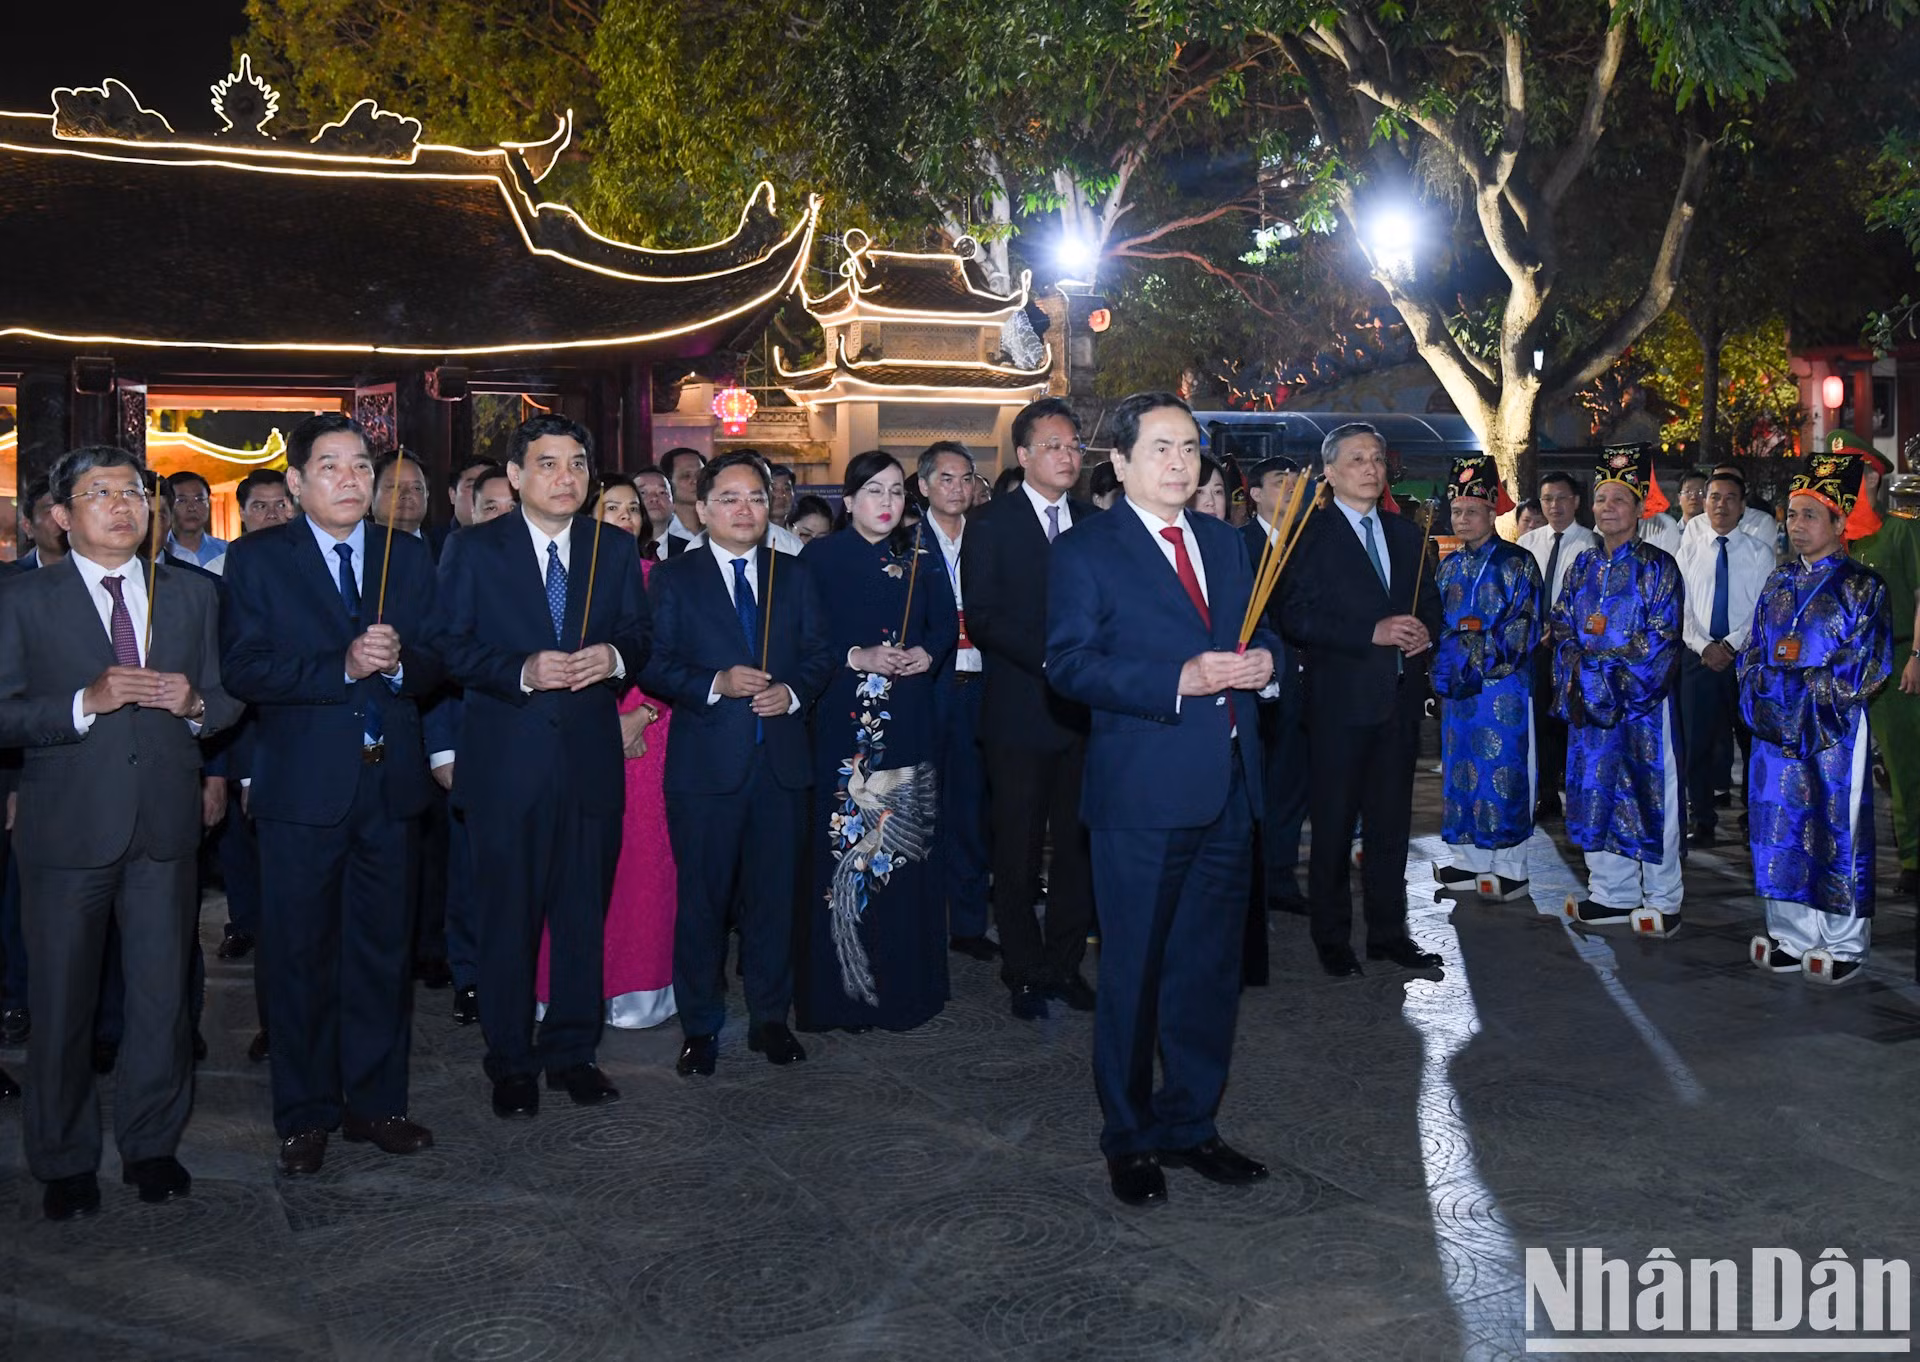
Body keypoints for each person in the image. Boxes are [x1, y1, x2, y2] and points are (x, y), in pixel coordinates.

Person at [1046, 391, 1276, 1207]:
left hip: (1228, 787)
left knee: (1207, 973)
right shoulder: (1087, 550)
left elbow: (1262, 632)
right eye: (1161, 449)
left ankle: (1191, 1123)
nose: (1180, 464)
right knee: (1134, 972)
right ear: (1121, 461)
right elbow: (1068, 665)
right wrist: (1175, 679)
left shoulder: (1225, 539)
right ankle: (1130, 1136)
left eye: (1189, 448)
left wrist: (1268, 666)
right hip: (1142, 796)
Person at [0, 445, 240, 1219]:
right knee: (62, 1002)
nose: (121, 505)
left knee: (162, 998)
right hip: (67, 829)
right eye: (99, 493)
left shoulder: (193, 594)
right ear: (60, 517)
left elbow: (228, 697)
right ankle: (63, 1158)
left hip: (164, 827)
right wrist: (83, 703)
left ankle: (151, 1144)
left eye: (133, 491)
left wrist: (194, 705)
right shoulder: (21, 599)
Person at [222, 414, 446, 1175]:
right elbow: (244, 668)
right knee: (298, 957)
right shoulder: (257, 559)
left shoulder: (405, 554)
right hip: (302, 791)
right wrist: (340, 667)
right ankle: (305, 1113)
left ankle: (377, 1104)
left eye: (360, 467)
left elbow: (438, 658)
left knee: (382, 954)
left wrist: (400, 666)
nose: (350, 480)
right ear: (296, 482)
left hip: (390, 786)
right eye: (331, 467)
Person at [435, 414, 651, 1118]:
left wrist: (613, 659)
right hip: (506, 766)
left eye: (578, 464)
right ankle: (510, 1060)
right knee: (508, 922)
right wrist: (519, 670)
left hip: (589, 763)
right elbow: (447, 646)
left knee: (582, 918)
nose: (567, 478)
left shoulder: (611, 547)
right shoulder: (474, 548)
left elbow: (639, 635)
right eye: (549, 464)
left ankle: (573, 1052)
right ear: (516, 475)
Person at [641, 451, 832, 1075]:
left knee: (775, 901)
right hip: (705, 770)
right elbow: (653, 662)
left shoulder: (794, 573)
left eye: (755, 497)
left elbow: (819, 654)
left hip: (781, 766)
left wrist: (793, 694)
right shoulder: (675, 579)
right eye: (729, 498)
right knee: (702, 903)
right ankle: (700, 1026)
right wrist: (715, 682)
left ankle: (771, 1019)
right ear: (702, 509)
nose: (745, 509)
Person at [797, 453, 955, 1032]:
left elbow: (944, 623)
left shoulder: (921, 554)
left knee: (907, 847)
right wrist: (854, 656)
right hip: (843, 720)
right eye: (872, 490)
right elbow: (802, 637)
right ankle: (841, 995)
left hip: (909, 717)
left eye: (894, 492)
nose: (886, 502)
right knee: (843, 848)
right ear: (848, 500)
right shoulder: (819, 558)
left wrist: (927, 654)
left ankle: (905, 990)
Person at [1279, 423, 1443, 977]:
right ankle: (1332, 938)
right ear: (1329, 472)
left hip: (1398, 703)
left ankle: (1389, 934)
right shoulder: (1309, 535)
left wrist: (1425, 632)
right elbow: (1294, 616)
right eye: (1357, 459)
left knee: (1390, 827)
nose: (1371, 468)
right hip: (1339, 705)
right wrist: (1369, 632)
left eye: (1377, 458)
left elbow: (1429, 602)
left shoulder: (1406, 534)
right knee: (1332, 827)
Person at [959, 396, 1096, 1020]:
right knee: (1015, 849)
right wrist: (1056, 660)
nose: (1067, 456)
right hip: (1020, 711)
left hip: (1086, 716)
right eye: (1053, 446)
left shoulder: (1094, 522)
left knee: (1077, 847)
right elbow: (985, 618)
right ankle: (1023, 968)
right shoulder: (991, 523)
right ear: (1023, 454)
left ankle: (1065, 965)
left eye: (1073, 446)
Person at [1738, 449, 1892, 985]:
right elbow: (1753, 651)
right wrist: (1767, 693)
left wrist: (1800, 692)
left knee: (1835, 825)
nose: (1796, 525)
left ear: (1840, 523)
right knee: (1779, 823)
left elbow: (1868, 663)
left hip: (1834, 729)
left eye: (1809, 515)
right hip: (1775, 727)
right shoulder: (1777, 583)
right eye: (1791, 514)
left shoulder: (1863, 587)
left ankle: (1843, 941)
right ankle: (1791, 935)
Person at [533, 477, 679, 1028]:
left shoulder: (661, 577)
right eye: (610, 506)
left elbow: (679, 657)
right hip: (575, 736)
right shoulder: (557, 576)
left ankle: (640, 990)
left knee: (644, 868)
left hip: (652, 734)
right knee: (573, 871)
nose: (624, 517)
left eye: (632, 509)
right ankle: (565, 993)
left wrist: (643, 715)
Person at [1553, 445, 1686, 937]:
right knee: (1596, 792)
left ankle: (1663, 898)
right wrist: (1582, 670)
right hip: (1591, 707)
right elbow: (1562, 625)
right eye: (1601, 499)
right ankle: (1611, 892)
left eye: (1619, 499)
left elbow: (1661, 639)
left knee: (1651, 797)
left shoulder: (1658, 567)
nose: (1607, 508)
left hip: (1642, 707)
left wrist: (1602, 675)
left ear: (1639, 509)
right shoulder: (1582, 566)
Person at [1428, 455, 1541, 902]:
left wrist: (1468, 654)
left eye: (1471, 511)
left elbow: (1524, 627)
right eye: (1456, 511)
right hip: (1459, 689)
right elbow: (1436, 622)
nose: (1462, 519)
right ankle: (1468, 859)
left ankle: (1511, 866)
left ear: (1492, 511)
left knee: (1505, 770)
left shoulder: (1518, 562)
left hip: (1503, 687)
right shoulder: (1448, 566)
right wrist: (1445, 661)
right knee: (1460, 769)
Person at [916, 441, 994, 960]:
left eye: (966, 478)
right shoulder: (906, 544)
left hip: (981, 688)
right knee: (921, 806)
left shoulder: (988, 539)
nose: (958, 488)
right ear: (924, 486)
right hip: (927, 689)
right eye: (946, 478)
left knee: (971, 808)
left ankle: (968, 923)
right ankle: (919, 922)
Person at [1675, 470, 1774, 848]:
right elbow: (1681, 608)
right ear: (1704, 502)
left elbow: (1761, 609)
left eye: (1730, 498)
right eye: (1714, 497)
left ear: (1742, 506)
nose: (1721, 505)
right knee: (1695, 743)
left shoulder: (1759, 552)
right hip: (1698, 660)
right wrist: (1704, 646)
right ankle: (1701, 819)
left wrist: (1730, 646)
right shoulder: (1689, 551)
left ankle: (1754, 818)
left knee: (1751, 743)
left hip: (1745, 660)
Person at [1847, 434, 1920, 897]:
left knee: (1903, 763)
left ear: (1872, 478)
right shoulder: (1836, 535)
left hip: (1896, 660)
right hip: (1848, 667)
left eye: (1850, 473)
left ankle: (1912, 858)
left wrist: (1917, 656)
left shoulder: (1900, 530)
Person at [1242, 457, 1308, 914]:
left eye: (1295, 482)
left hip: (1307, 682)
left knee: (1293, 782)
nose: (1290, 489)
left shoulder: (1309, 543)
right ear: (1255, 494)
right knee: (1258, 782)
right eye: (1279, 482)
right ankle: (1251, 875)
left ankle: (1282, 875)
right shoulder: (1238, 544)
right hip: (1258, 681)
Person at [1518, 471, 1599, 820]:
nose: (1554, 505)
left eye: (1561, 498)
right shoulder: (1528, 543)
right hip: (1536, 645)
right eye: (1548, 499)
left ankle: (1578, 793)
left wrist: (1563, 631)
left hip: (1573, 646)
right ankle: (1546, 793)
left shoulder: (1591, 543)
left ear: (1576, 502)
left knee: (1572, 718)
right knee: (1540, 720)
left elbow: (1592, 599)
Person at [204, 468, 295, 575]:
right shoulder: (219, 569)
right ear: (242, 512)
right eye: (260, 507)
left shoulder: (309, 560)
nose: (272, 515)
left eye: (281, 505)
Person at [162, 470, 226, 567]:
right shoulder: (157, 553)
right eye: (182, 500)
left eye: (199, 500)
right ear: (166, 505)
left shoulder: (226, 552)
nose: (191, 508)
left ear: (209, 503)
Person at [371, 451, 431, 545]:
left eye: (416, 488)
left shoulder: (444, 549)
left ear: (427, 495)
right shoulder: (355, 548)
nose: (406, 494)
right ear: (371, 494)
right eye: (394, 487)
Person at [658, 447, 707, 555]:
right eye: (686, 476)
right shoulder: (661, 531)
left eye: (700, 475)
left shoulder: (719, 526)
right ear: (668, 482)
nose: (695, 481)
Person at [16, 478, 68, 569]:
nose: (64, 519)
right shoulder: (11, 575)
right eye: (52, 511)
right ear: (27, 527)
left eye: (68, 509)